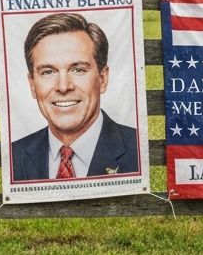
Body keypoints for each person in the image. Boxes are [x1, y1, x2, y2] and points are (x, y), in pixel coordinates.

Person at [11, 12, 140, 181]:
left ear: (103, 79)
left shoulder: (139, 149)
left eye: (78, 70)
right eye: (48, 72)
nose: (63, 87)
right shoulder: (13, 157)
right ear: (32, 85)